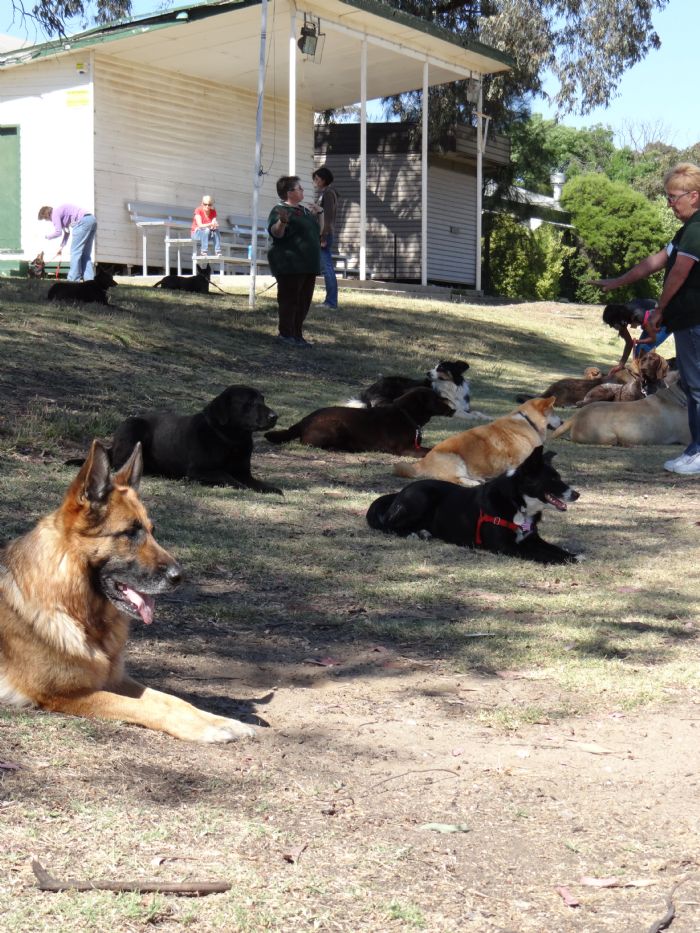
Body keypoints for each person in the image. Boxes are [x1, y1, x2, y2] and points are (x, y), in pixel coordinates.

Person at [591, 162, 700, 475]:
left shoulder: (697, 229)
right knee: (693, 384)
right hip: (686, 321)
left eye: (673, 197)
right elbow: (657, 261)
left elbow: (679, 272)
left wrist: (660, 309)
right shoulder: (685, 231)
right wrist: (617, 281)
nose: (669, 203)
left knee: (697, 388)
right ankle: (693, 449)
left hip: (695, 320)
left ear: (693, 196)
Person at [267, 175, 322, 347]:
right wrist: (282, 222)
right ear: (289, 192)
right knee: (289, 300)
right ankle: (286, 334)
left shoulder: (305, 211)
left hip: (308, 265)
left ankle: (297, 334)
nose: (303, 191)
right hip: (290, 264)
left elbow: (319, 231)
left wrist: (320, 213)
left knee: (304, 301)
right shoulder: (280, 210)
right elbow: (276, 233)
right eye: (299, 188)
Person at [602, 297, 670, 375]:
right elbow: (629, 343)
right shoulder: (622, 318)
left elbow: (653, 339)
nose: (611, 326)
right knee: (639, 353)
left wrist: (638, 341)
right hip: (650, 322)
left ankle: (655, 378)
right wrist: (621, 364)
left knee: (642, 351)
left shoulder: (637, 314)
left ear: (617, 319)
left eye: (611, 324)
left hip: (665, 322)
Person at [38, 204, 96, 281]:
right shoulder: (60, 212)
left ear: (47, 214)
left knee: (75, 253)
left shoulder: (54, 214)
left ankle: (73, 280)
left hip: (82, 222)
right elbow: (67, 233)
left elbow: (58, 232)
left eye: (46, 219)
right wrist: (61, 247)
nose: (49, 220)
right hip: (91, 219)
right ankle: (90, 281)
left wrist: (47, 237)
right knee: (85, 254)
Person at [312, 166, 339, 309]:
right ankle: (330, 301)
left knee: (327, 268)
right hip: (324, 234)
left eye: (317, 179)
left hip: (325, 234)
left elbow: (327, 217)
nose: (315, 182)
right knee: (326, 268)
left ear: (324, 179)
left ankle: (331, 302)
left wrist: (323, 236)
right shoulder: (326, 193)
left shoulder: (328, 193)